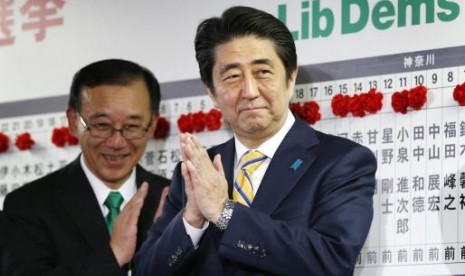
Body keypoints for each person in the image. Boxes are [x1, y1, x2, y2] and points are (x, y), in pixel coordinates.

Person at [136, 6, 377, 276]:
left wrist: (223, 211)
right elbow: (147, 271)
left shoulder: (341, 161)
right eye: (232, 77)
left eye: (263, 72)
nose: (249, 91)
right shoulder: (195, 172)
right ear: (212, 93)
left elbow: (332, 261)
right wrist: (192, 218)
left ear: (290, 77)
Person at [0, 59, 170, 276]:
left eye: (132, 126)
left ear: (152, 125)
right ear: (73, 121)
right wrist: (113, 254)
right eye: (101, 125)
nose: (117, 142)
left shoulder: (177, 199)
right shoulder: (28, 206)